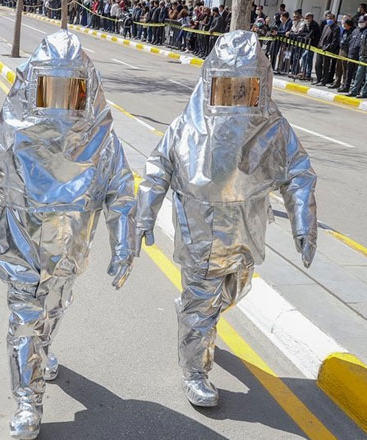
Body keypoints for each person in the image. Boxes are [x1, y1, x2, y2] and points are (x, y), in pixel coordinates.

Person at [0, 30, 135, 440]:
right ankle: (28, 400)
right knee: (25, 322)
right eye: (50, 88)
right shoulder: (10, 134)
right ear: (34, 86)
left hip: (69, 254)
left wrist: (123, 245)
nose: (58, 101)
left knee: (52, 309)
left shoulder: (101, 140)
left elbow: (121, 194)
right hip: (21, 252)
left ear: (84, 90)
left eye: (67, 90)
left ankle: (43, 347)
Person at [135, 30, 317, 409]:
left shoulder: (273, 127)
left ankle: (191, 312)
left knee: (234, 292)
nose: (235, 96)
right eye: (227, 86)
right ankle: (196, 371)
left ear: (259, 86)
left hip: (246, 235)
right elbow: (157, 171)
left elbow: (298, 173)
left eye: (244, 87)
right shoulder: (187, 126)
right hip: (199, 232)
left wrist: (304, 221)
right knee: (202, 304)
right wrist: (144, 216)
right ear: (211, 83)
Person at [314, 12, 339, 86]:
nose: (329, 20)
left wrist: (329, 49)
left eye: (330, 18)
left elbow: (335, 41)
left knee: (326, 66)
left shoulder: (336, 28)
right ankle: (318, 79)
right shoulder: (326, 26)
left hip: (327, 50)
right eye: (328, 18)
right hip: (320, 48)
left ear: (334, 19)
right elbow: (322, 36)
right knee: (317, 64)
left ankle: (323, 81)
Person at [347, 16, 367, 98]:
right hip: (362, 56)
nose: (360, 23)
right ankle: (354, 91)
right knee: (358, 75)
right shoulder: (363, 31)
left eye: (362, 22)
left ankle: (364, 93)